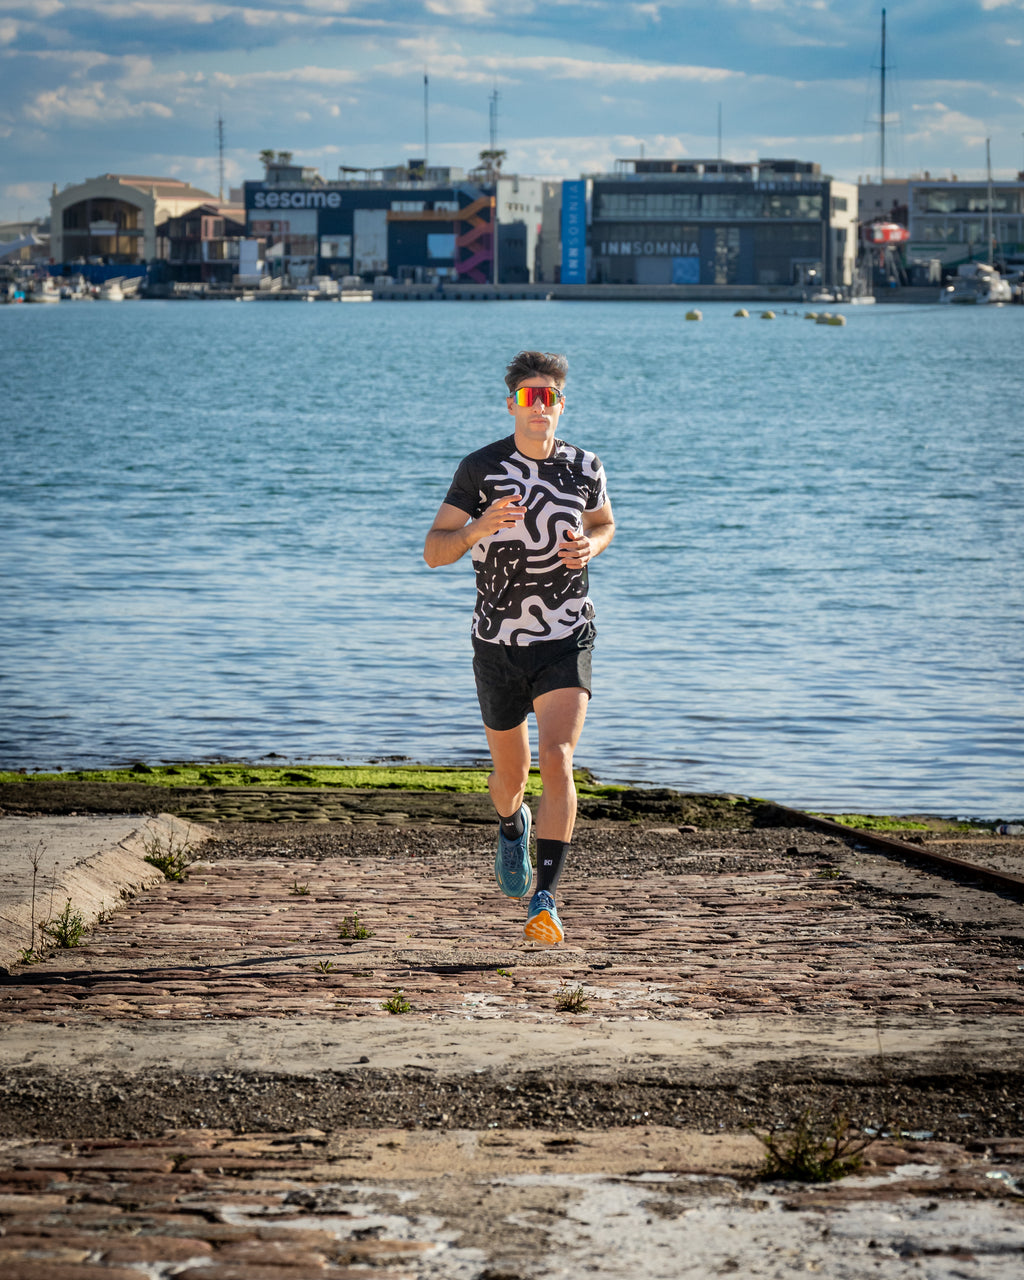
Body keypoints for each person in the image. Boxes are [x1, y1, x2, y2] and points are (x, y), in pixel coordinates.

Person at [423, 350, 615, 945]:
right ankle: (512, 826)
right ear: (512, 405)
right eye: (529, 397)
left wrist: (593, 547)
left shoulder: (585, 466)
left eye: (549, 397)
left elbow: (605, 522)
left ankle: (546, 899)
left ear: (561, 404)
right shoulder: (480, 469)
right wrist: (478, 527)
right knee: (511, 777)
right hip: (497, 644)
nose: (540, 407)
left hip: (565, 634)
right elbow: (434, 550)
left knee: (558, 757)